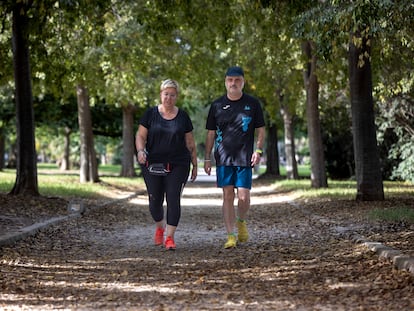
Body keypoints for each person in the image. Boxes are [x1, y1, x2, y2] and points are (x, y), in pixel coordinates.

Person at [204, 66, 265, 249]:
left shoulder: (253, 104)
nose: (233, 83)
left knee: (244, 197)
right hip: (223, 157)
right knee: (228, 195)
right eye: (230, 80)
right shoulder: (216, 105)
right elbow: (210, 134)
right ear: (225, 82)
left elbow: (260, 129)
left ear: (243, 82)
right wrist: (207, 158)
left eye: (237, 80)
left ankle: (241, 221)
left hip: (245, 157)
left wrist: (259, 150)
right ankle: (230, 235)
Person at [135, 79, 197, 250]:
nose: (168, 98)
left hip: (178, 163)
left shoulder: (183, 116)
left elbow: (190, 143)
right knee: (154, 201)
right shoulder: (150, 114)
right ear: (161, 95)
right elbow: (140, 136)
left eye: (172, 95)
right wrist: (141, 151)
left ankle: (169, 237)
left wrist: (195, 164)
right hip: (153, 162)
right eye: (166, 94)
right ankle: (160, 226)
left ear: (176, 97)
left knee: (173, 197)